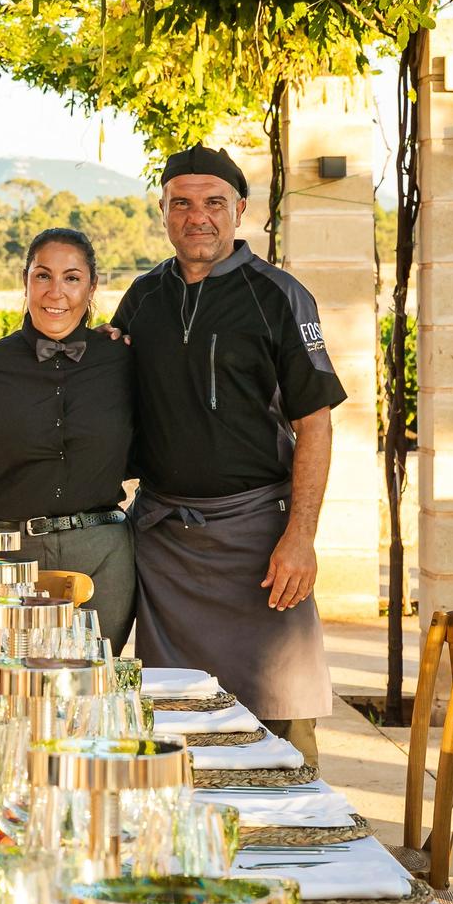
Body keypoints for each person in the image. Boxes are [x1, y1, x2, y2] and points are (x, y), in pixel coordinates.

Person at [108, 144, 347, 768]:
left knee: (283, 732)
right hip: (164, 547)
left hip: (261, 546)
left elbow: (314, 424)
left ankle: (304, 854)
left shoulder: (280, 297)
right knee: (173, 726)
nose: (198, 217)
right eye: (181, 204)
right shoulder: (142, 298)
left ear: (239, 210)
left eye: (214, 203)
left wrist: (300, 536)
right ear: (163, 211)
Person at [0, 228, 135, 639]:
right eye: (43, 276)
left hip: (103, 552)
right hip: (4, 554)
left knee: (92, 688)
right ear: (26, 281)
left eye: (72, 278)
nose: (56, 293)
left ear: (92, 287)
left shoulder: (123, 361)